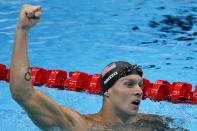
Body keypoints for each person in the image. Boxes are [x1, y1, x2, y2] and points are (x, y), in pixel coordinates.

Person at [10, 4, 174, 131]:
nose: (139, 91)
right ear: (107, 91)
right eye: (129, 84)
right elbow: (23, 94)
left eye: (140, 85)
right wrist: (22, 29)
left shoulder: (152, 123)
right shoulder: (80, 125)